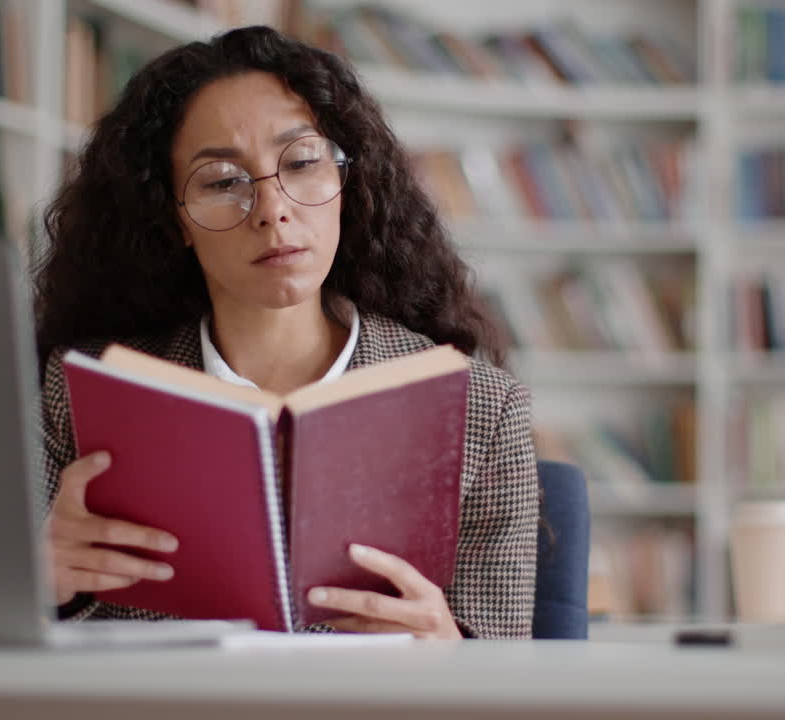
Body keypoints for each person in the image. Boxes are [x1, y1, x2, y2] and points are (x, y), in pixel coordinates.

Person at [32, 25, 538, 640]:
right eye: (221, 181)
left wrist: (451, 648)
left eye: (301, 163)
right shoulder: (82, 393)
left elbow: (505, 673)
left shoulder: (483, 409)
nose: (273, 210)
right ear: (175, 219)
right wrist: (39, 586)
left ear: (346, 183)